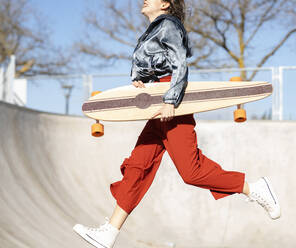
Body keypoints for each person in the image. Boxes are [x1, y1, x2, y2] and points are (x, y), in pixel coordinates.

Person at [73, 1, 281, 247]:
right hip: (156, 105)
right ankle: (110, 231)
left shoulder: (169, 25)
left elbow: (180, 62)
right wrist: (143, 81)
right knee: (137, 168)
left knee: (191, 171)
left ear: (165, 4)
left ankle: (253, 188)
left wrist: (171, 100)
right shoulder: (152, 30)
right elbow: (155, 65)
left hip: (173, 104)